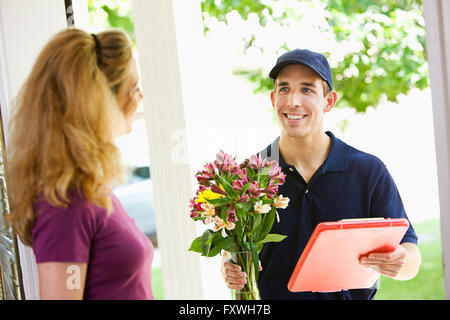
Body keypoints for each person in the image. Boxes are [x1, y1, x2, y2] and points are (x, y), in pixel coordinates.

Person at [221, 49, 422, 299]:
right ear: (273, 98)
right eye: (284, 88)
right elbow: (235, 253)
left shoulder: (367, 171)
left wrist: (401, 263)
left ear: (329, 101)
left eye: (307, 89)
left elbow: (409, 251)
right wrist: (230, 267)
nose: (293, 101)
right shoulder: (249, 176)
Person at [4, 28, 153, 299]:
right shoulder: (65, 204)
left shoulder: (90, 189)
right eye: (133, 87)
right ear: (99, 102)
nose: (139, 97)